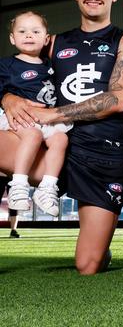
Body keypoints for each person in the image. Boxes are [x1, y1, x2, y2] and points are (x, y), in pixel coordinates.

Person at [0, 0, 123, 275]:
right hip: (54, 148)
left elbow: (117, 99)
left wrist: (53, 114)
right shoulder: (53, 43)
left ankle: (99, 243)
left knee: (88, 265)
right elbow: (18, 72)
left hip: (102, 153)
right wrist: (8, 98)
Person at [0, 11, 70, 216]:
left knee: (60, 139)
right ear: (12, 38)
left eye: (35, 31)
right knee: (33, 135)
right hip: (21, 119)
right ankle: (19, 184)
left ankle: (48, 188)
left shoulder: (52, 67)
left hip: (45, 119)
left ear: (46, 39)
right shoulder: (6, 65)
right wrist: (7, 98)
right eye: (22, 31)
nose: (29, 35)